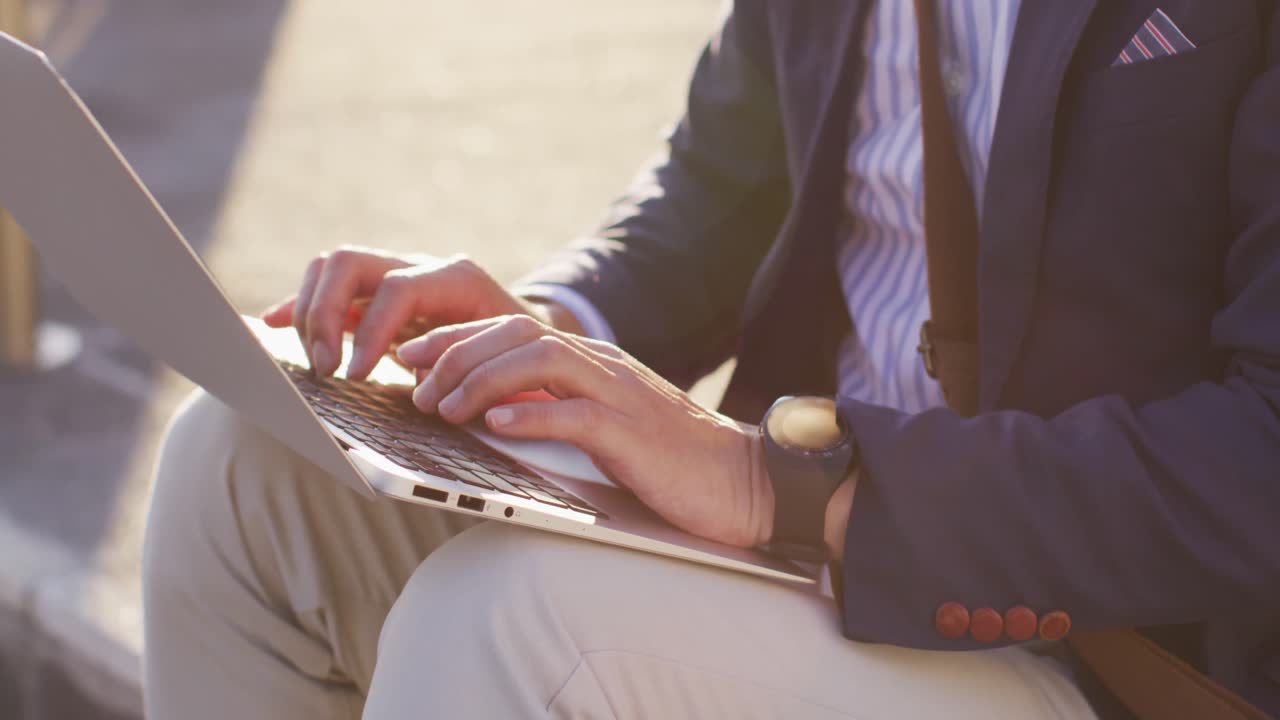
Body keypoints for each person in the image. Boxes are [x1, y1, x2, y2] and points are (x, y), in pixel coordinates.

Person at [141, 1, 1280, 718]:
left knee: (508, 619)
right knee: (246, 465)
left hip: (1104, 643)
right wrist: (546, 329)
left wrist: (774, 483)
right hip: (790, 558)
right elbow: (721, 189)